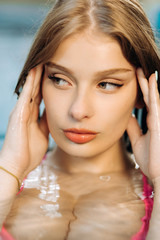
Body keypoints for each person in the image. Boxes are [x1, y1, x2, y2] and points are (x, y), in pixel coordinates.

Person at [0, 0, 160, 239]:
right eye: (60, 79)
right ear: (37, 83)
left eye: (106, 84)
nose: (78, 110)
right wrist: (10, 168)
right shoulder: (5, 172)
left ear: (142, 92)